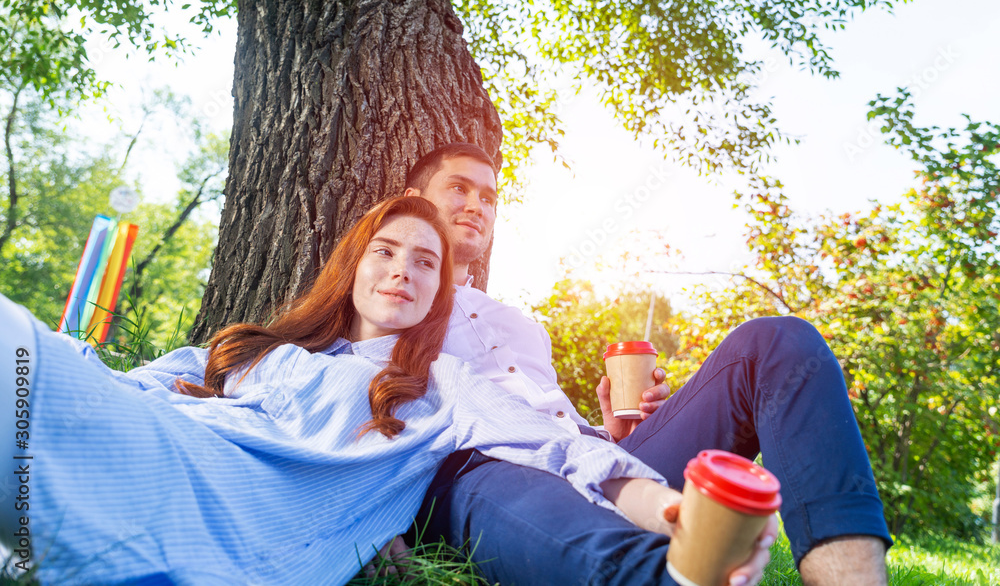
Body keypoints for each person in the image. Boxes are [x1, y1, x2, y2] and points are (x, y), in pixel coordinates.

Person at [0, 196, 684, 585]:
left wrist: (672, 509)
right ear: (352, 264)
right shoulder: (257, 350)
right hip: (137, 432)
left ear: (439, 291)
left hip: (217, 502)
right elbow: (125, 384)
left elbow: (561, 447)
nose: (402, 270)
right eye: (385, 250)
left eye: (425, 262)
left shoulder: (437, 384)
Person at [402, 143, 893, 586]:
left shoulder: (519, 325)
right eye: (459, 188)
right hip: (488, 472)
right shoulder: (387, 301)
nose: (477, 205)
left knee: (778, 342)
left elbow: (554, 424)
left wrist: (612, 433)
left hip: (596, 460)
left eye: (488, 197)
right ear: (412, 199)